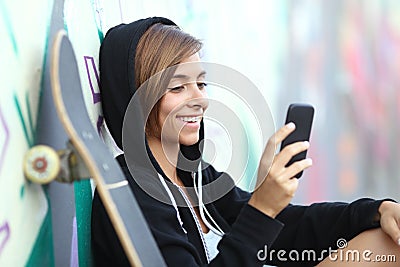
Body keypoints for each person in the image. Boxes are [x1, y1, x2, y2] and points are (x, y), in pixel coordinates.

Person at [91, 16, 400, 266]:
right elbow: (256, 226)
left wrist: (376, 210)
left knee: (388, 241)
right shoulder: (130, 193)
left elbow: (287, 231)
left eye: (201, 83)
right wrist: (261, 209)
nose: (200, 100)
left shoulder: (196, 176)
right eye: (178, 88)